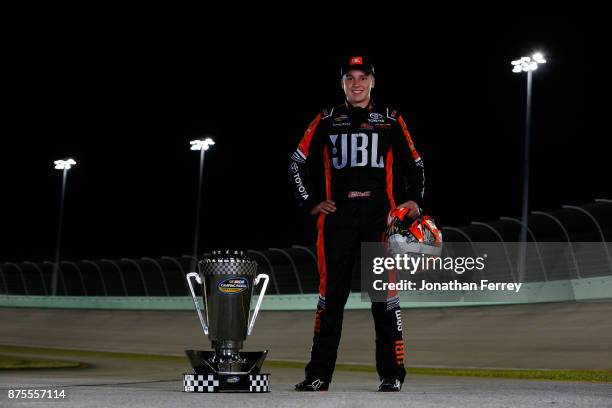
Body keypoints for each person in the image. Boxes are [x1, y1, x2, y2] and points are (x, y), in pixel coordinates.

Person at [288, 55, 425, 392]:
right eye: (350, 78)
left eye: (363, 77)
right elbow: (296, 163)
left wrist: (415, 201)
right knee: (330, 300)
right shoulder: (326, 118)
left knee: (385, 300)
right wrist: (311, 202)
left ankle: (392, 374)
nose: (357, 83)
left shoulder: (391, 119)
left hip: (381, 220)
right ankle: (318, 375)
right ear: (343, 84)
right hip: (338, 221)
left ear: (373, 82)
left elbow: (416, 164)